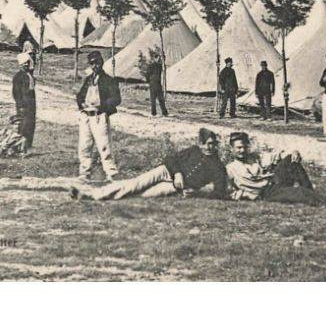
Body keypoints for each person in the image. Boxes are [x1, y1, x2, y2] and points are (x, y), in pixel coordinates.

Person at [70, 128, 228, 201]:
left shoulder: (218, 166)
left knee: (140, 194)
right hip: (166, 172)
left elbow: (219, 192)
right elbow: (171, 159)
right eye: (206, 144)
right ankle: (92, 195)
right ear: (199, 144)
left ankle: (96, 193)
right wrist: (178, 172)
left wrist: (198, 193)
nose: (209, 147)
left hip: (177, 187)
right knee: (135, 184)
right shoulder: (193, 150)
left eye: (213, 144)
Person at [225, 132, 326, 205]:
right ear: (232, 149)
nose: (242, 151)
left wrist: (293, 153)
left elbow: (276, 155)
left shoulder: (255, 157)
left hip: (274, 182)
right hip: (265, 193)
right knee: (298, 192)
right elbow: (228, 191)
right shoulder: (230, 169)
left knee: (291, 159)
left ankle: (312, 194)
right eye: (238, 148)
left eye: (244, 147)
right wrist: (246, 195)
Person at [76, 51, 122, 182]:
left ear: (101, 63)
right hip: (86, 116)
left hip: (99, 116)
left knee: (104, 146)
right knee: (84, 146)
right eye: (92, 63)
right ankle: (84, 173)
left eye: (97, 63)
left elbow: (116, 99)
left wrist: (102, 105)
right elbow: (79, 96)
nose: (94, 66)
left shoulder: (109, 80)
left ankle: (111, 174)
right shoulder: (88, 80)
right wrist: (82, 104)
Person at [11, 52, 38, 151]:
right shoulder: (18, 77)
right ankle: (19, 146)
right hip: (23, 105)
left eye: (27, 63)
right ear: (20, 64)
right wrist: (20, 105)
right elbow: (16, 93)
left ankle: (27, 145)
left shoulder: (29, 75)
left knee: (31, 124)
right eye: (24, 63)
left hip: (31, 103)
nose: (26, 65)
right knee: (23, 126)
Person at [144, 49, 169, 117]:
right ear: (154, 58)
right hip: (153, 83)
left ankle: (164, 112)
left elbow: (163, 69)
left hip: (157, 83)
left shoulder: (160, 66)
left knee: (160, 99)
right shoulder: (151, 65)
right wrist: (148, 81)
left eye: (158, 58)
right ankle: (154, 112)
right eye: (157, 58)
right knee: (153, 99)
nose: (158, 59)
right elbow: (147, 74)